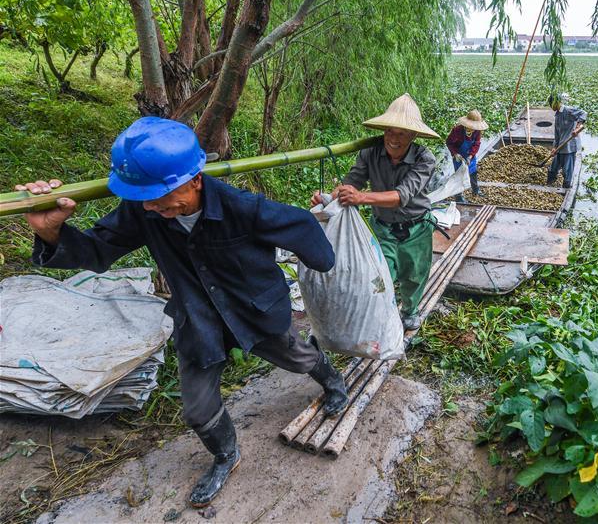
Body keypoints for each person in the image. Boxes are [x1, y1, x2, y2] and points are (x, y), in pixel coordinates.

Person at [17, 117, 349, 508]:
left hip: (253, 309)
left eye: (162, 196)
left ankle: (334, 383)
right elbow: (97, 251)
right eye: (146, 199)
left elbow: (306, 229)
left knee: (296, 355)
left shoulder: (245, 208)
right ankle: (227, 455)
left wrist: (322, 261)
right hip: (198, 318)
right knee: (197, 406)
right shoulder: (146, 210)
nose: (155, 207)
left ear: (196, 179)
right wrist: (51, 232)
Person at [313, 93, 437, 332]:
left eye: (401, 133)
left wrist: (361, 198)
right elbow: (351, 182)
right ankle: (382, 318)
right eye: (390, 131)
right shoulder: (370, 152)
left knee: (414, 276)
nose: (393, 138)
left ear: (412, 135)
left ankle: (410, 311)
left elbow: (402, 196)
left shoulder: (424, 158)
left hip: (417, 228)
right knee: (381, 277)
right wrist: (328, 199)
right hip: (383, 228)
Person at [546, 92, 587, 188]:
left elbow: (583, 113)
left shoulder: (568, 111)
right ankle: (549, 183)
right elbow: (557, 134)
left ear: (556, 102)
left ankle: (566, 188)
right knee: (553, 168)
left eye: (550, 104)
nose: (550, 106)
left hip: (569, 146)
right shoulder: (557, 115)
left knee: (567, 171)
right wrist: (554, 147)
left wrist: (577, 128)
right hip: (560, 146)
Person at [445, 109, 487, 200]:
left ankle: (475, 190)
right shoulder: (457, 130)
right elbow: (449, 142)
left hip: (470, 154)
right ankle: (458, 196)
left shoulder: (477, 131)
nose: (472, 128)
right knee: (459, 174)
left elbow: (477, 143)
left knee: (473, 172)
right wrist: (455, 154)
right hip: (459, 156)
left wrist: (471, 155)